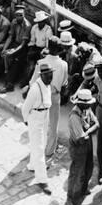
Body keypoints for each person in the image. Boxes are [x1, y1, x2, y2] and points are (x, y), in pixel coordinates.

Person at [28, 37, 69, 158]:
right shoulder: (63, 64)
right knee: (53, 124)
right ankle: (50, 150)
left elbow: (32, 82)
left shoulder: (41, 63)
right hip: (54, 96)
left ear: (48, 47)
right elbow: (64, 83)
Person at [21, 63, 54, 195]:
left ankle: (33, 165)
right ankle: (42, 180)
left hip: (45, 115)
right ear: (42, 75)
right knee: (39, 148)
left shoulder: (48, 85)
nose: (50, 78)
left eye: (51, 75)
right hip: (35, 117)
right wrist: (26, 120)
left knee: (42, 143)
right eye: (48, 75)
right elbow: (25, 107)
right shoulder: (35, 89)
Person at [65, 89, 99, 205]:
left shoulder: (87, 110)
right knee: (76, 173)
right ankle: (71, 200)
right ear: (80, 103)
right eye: (88, 103)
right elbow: (80, 138)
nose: (90, 105)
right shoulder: (74, 117)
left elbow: (97, 124)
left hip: (87, 143)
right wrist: (90, 130)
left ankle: (83, 189)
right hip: (78, 147)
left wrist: (88, 131)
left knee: (88, 168)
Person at [0, 6, 32, 94]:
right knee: (3, 52)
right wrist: (5, 48)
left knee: (16, 60)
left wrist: (13, 52)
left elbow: (23, 44)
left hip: (23, 47)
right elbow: (10, 37)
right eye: (16, 15)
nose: (18, 17)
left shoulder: (27, 26)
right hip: (15, 43)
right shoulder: (14, 22)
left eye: (20, 15)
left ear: (23, 16)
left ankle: (9, 84)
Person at [25, 11, 53, 85]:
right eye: (39, 22)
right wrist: (30, 49)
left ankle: (33, 82)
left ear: (44, 21)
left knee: (38, 65)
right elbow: (32, 41)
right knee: (30, 63)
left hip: (43, 49)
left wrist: (43, 51)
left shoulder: (48, 30)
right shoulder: (34, 27)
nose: (40, 23)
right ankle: (26, 80)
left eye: (42, 22)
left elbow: (48, 46)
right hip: (35, 48)